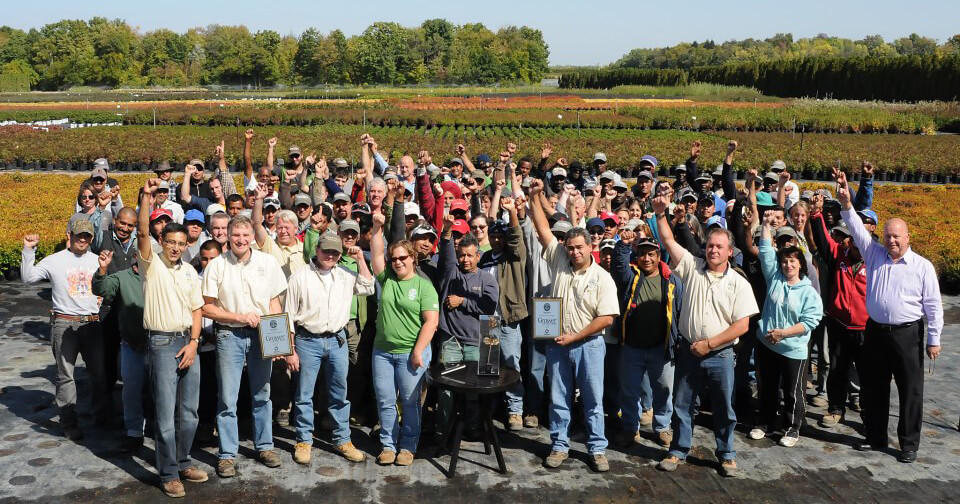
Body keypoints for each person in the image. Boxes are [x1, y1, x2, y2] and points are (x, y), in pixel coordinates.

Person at [837, 171, 943, 463]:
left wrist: (933, 339)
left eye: (896, 236)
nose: (891, 240)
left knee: (910, 390)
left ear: (908, 237)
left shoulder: (922, 267)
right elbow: (856, 228)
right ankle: (875, 436)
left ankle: (908, 444)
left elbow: (934, 305)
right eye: (887, 236)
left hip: (907, 335)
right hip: (875, 332)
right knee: (873, 386)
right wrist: (846, 201)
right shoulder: (874, 254)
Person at [652, 189, 759, 477]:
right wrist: (661, 214)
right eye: (710, 245)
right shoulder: (692, 267)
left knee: (724, 409)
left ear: (729, 251)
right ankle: (678, 450)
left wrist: (709, 344)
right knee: (683, 406)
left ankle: (726, 454)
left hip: (720, 354)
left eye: (718, 246)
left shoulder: (739, 283)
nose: (713, 250)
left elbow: (742, 325)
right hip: (689, 351)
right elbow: (668, 241)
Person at [528, 179, 620, 473]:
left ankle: (597, 449)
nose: (575, 252)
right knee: (559, 398)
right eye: (570, 247)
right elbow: (543, 230)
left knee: (593, 400)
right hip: (558, 344)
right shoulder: (559, 261)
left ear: (591, 245)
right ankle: (559, 445)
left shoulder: (602, 277)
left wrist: (574, 337)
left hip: (588, 346)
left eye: (579, 247)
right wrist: (534, 196)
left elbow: (606, 318)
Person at [136, 179, 208, 498]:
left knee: (189, 411)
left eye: (181, 243)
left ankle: (183, 461)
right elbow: (140, 232)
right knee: (165, 412)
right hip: (162, 343)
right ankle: (167, 473)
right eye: (171, 242)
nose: (176, 247)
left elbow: (197, 309)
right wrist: (146, 201)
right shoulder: (152, 266)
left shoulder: (190, 272)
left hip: (188, 343)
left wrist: (194, 343)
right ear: (161, 241)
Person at [201, 214, 287, 477]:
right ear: (227, 235)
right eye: (235, 235)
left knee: (263, 393)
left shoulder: (268, 262)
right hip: (230, 335)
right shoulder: (216, 265)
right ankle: (227, 455)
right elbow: (206, 307)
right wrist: (238, 317)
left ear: (252, 237)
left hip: (262, 334)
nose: (240, 240)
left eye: (245, 235)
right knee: (228, 397)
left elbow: (274, 302)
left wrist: (277, 340)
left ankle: (264, 446)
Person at [284, 232, 375, 465]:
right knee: (304, 394)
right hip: (307, 341)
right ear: (317, 250)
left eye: (335, 252)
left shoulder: (345, 274)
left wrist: (361, 260)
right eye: (327, 251)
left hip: (337, 340)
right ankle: (304, 440)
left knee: (339, 393)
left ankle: (342, 439)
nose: (331, 255)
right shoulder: (300, 277)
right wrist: (290, 350)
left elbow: (368, 286)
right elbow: (288, 316)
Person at [21, 221, 107, 441]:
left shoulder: (97, 260)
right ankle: (69, 422)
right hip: (64, 323)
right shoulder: (55, 260)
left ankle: (102, 417)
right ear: (70, 235)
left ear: (91, 237)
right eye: (79, 235)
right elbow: (28, 278)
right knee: (65, 375)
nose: (83, 239)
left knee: (99, 373)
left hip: (92, 323)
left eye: (87, 236)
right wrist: (29, 250)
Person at [369, 214, 439, 467]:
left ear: (413, 259)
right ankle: (388, 445)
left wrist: (418, 351)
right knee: (386, 401)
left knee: (410, 403)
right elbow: (376, 255)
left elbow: (431, 321)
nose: (397, 262)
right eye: (394, 258)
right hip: (383, 353)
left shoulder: (423, 286)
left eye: (403, 258)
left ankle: (408, 446)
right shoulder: (386, 279)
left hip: (411, 353)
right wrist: (377, 227)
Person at [749, 215, 823, 447]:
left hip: (793, 348)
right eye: (785, 261)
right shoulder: (774, 279)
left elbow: (810, 321)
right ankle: (765, 423)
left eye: (793, 261)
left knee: (793, 391)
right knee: (767, 386)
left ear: (801, 263)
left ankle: (791, 427)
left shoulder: (808, 291)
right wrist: (766, 225)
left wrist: (784, 333)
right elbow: (765, 251)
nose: (788, 265)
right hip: (767, 343)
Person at [610, 232, 683, 449]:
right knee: (629, 390)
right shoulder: (631, 276)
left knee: (663, 391)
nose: (647, 259)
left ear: (659, 255)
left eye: (651, 254)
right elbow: (618, 267)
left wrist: (676, 340)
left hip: (661, 348)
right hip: (631, 346)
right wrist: (623, 245)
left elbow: (679, 311)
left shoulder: (671, 280)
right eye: (642, 254)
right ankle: (630, 428)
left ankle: (662, 427)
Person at [434, 215, 499, 437]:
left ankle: (473, 428)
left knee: (474, 390)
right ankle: (444, 429)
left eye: (470, 255)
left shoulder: (487, 280)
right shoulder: (450, 272)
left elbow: (488, 309)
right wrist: (447, 231)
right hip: (451, 340)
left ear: (478, 256)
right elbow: (446, 253)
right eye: (462, 255)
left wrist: (462, 301)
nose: (465, 260)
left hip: (476, 341)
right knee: (447, 390)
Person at [478, 197, 529, 431]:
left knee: (511, 364)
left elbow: (516, 237)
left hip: (508, 319)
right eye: (493, 236)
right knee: (488, 366)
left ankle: (515, 410)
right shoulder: (485, 259)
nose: (497, 240)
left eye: (500, 236)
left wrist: (512, 214)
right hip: (488, 320)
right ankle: (488, 410)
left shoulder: (515, 257)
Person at [91, 249, 147, 454]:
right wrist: (103, 270)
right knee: (131, 390)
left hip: (160, 344)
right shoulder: (122, 277)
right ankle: (134, 432)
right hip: (131, 344)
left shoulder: (161, 275)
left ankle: (158, 430)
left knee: (159, 391)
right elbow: (102, 289)